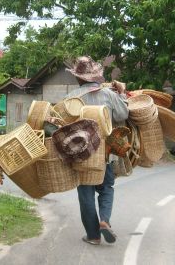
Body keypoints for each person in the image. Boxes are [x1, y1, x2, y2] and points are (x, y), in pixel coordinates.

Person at [65, 56, 129, 245]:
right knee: (106, 188)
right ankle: (104, 220)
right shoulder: (108, 95)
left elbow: (63, 126)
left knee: (85, 193)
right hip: (104, 152)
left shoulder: (71, 97)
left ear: (78, 78)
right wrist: (122, 94)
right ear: (95, 77)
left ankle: (93, 236)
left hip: (81, 153)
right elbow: (123, 114)